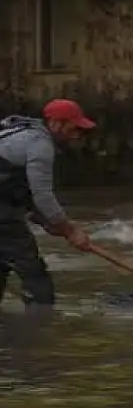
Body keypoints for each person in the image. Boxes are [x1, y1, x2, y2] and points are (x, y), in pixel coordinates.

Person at [0, 99, 96, 308]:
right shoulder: (39, 144)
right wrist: (70, 231)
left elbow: (16, 190)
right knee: (36, 280)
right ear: (55, 123)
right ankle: (42, 329)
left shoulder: (20, 133)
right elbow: (42, 195)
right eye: (74, 127)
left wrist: (45, 221)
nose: (77, 134)